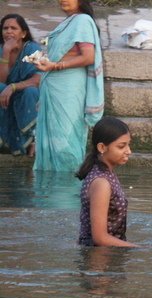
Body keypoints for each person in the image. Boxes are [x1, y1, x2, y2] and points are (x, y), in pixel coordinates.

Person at [32, 0, 104, 172]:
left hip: (69, 91)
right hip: (54, 90)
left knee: (66, 142)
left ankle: (67, 189)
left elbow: (88, 57)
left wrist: (56, 66)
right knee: (51, 142)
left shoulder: (83, 21)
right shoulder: (67, 23)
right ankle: (50, 191)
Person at [76, 117, 139, 247]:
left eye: (128, 144)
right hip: (98, 258)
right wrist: (140, 248)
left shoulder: (105, 174)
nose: (128, 151)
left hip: (106, 253)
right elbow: (100, 238)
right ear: (102, 147)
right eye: (121, 146)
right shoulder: (101, 183)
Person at [0, 14, 41, 157]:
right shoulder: (1, 49)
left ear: (23, 33)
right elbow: (1, 81)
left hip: (25, 95)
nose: (8, 31)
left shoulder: (32, 49)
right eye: (5, 28)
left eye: (13, 28)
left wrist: (14, 87)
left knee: (31, 91)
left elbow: (38, 79)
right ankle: (3, 141)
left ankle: (32, 141)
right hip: (4, 98)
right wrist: (6, 52)